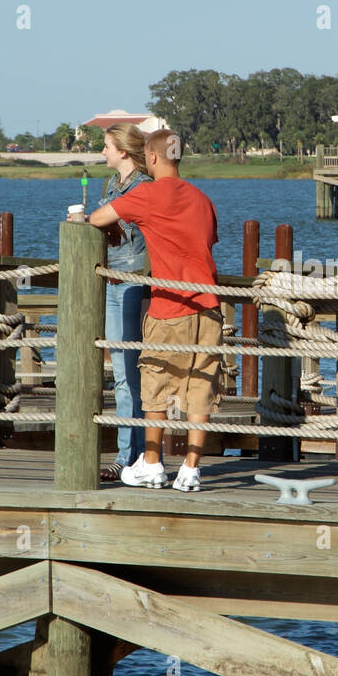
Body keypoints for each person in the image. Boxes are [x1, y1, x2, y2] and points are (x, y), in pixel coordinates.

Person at [88, 128, 222, 492]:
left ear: (151, 158)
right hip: (209, 305)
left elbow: (98, 219)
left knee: (155, 386)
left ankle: (151, 464)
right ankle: (190, 470)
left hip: (169, 305)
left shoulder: (146, 194)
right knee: (201, 388)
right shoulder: (203, 199)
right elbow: (207, 240)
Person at [94, 124, 151, 482]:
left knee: (131, 373)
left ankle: (130, 455)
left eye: (107, 146)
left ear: (124, 151)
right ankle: (134, 452)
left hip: (132, 283)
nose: (103, 152)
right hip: (111, 281)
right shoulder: (112, 186)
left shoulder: (142, 188)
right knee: (121, 372)